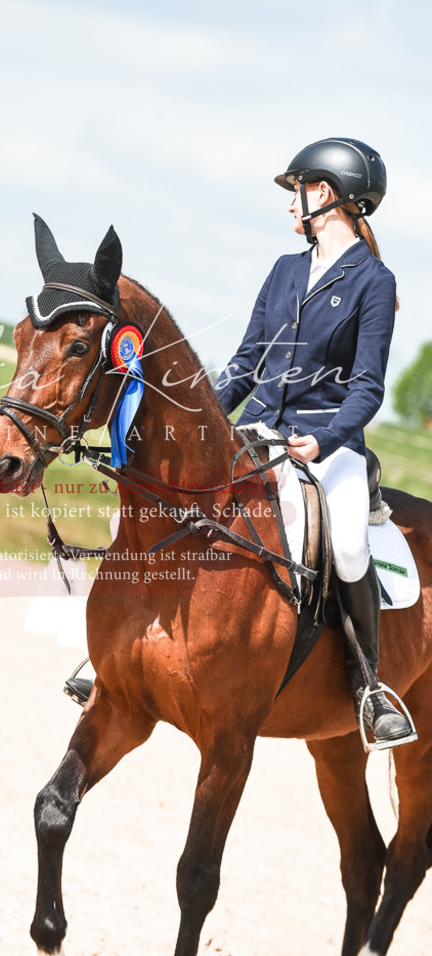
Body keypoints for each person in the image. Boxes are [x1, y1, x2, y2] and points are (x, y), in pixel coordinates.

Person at [213, 136, 414, 746]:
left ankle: (368, 684)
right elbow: (247, 361)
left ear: (322, 193)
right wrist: (207, 421)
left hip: (327, 448)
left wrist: (323, 442)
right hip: (258, 433)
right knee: (180, 489)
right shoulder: (284, 270)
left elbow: (368, 388)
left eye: (296, 190)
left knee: (350, 546)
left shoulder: (373, 282)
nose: (290, 203)